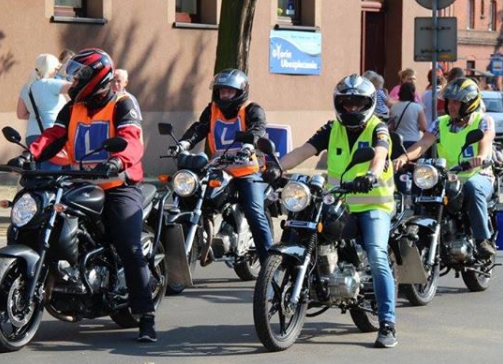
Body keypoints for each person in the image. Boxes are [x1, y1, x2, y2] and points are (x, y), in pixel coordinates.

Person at [23, 48, 159, 342]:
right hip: (81, 185)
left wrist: (117, 161)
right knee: (47, 218)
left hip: (118, 185)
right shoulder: (73, 107)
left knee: (129, 246)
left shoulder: (123, 104)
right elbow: (53, 136)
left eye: (78, 77)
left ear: (95, 78)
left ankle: (146, 315)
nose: (73, 82)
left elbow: (131, 140)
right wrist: (30, 154)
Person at [265, 74, 398, 348]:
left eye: (357, 103)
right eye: (346, 103)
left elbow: (380, 154)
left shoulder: (378, 128)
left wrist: (371, 175)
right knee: (306, 228)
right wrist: (277, 167)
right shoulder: (332, 128)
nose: (351, 108)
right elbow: (303, 151)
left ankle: (387, 323)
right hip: (339, 201)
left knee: (376, 254)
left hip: (374, 204)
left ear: (368, 104)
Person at [178, 69, 274, 267]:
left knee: (255, 212)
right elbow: (199, 128)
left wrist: (249, 145)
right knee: (191, 196)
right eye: (222, 91)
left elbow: (258, 128)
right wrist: (184, 143)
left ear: (240, 91)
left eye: (229, 91)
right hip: (220, 169)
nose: (224, 95)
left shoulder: (252, 109)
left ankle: (269, 264)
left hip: (247, 171)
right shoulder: (212, 109)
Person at [394, 77, 497, 262]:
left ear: (470, 104)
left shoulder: (483, 120)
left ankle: (482, 239)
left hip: (477, 174)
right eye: (449, 101)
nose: (451, 106)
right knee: (424, 189)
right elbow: (423, 143)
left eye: (457, 102)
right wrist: (404, 157)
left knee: (472, 188)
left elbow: (486, 139)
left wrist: (481, 156)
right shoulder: (440, 122)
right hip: (448, 177)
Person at [16, 53, 71, 170]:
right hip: (51, 135)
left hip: (32, 135)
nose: (57, 72)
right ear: (51, 69)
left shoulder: (26, 87)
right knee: (50, 175)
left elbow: (21, 114)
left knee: (37, 174)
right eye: (56, 69)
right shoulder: (50, 84)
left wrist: (40, 113)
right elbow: (77, 88)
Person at [389, 82, 427, 151]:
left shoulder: (394, 107)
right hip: (413, 141)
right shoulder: (418, 107)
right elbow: (423, 127)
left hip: (397, 141)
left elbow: (392, 127)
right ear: (413, 93)